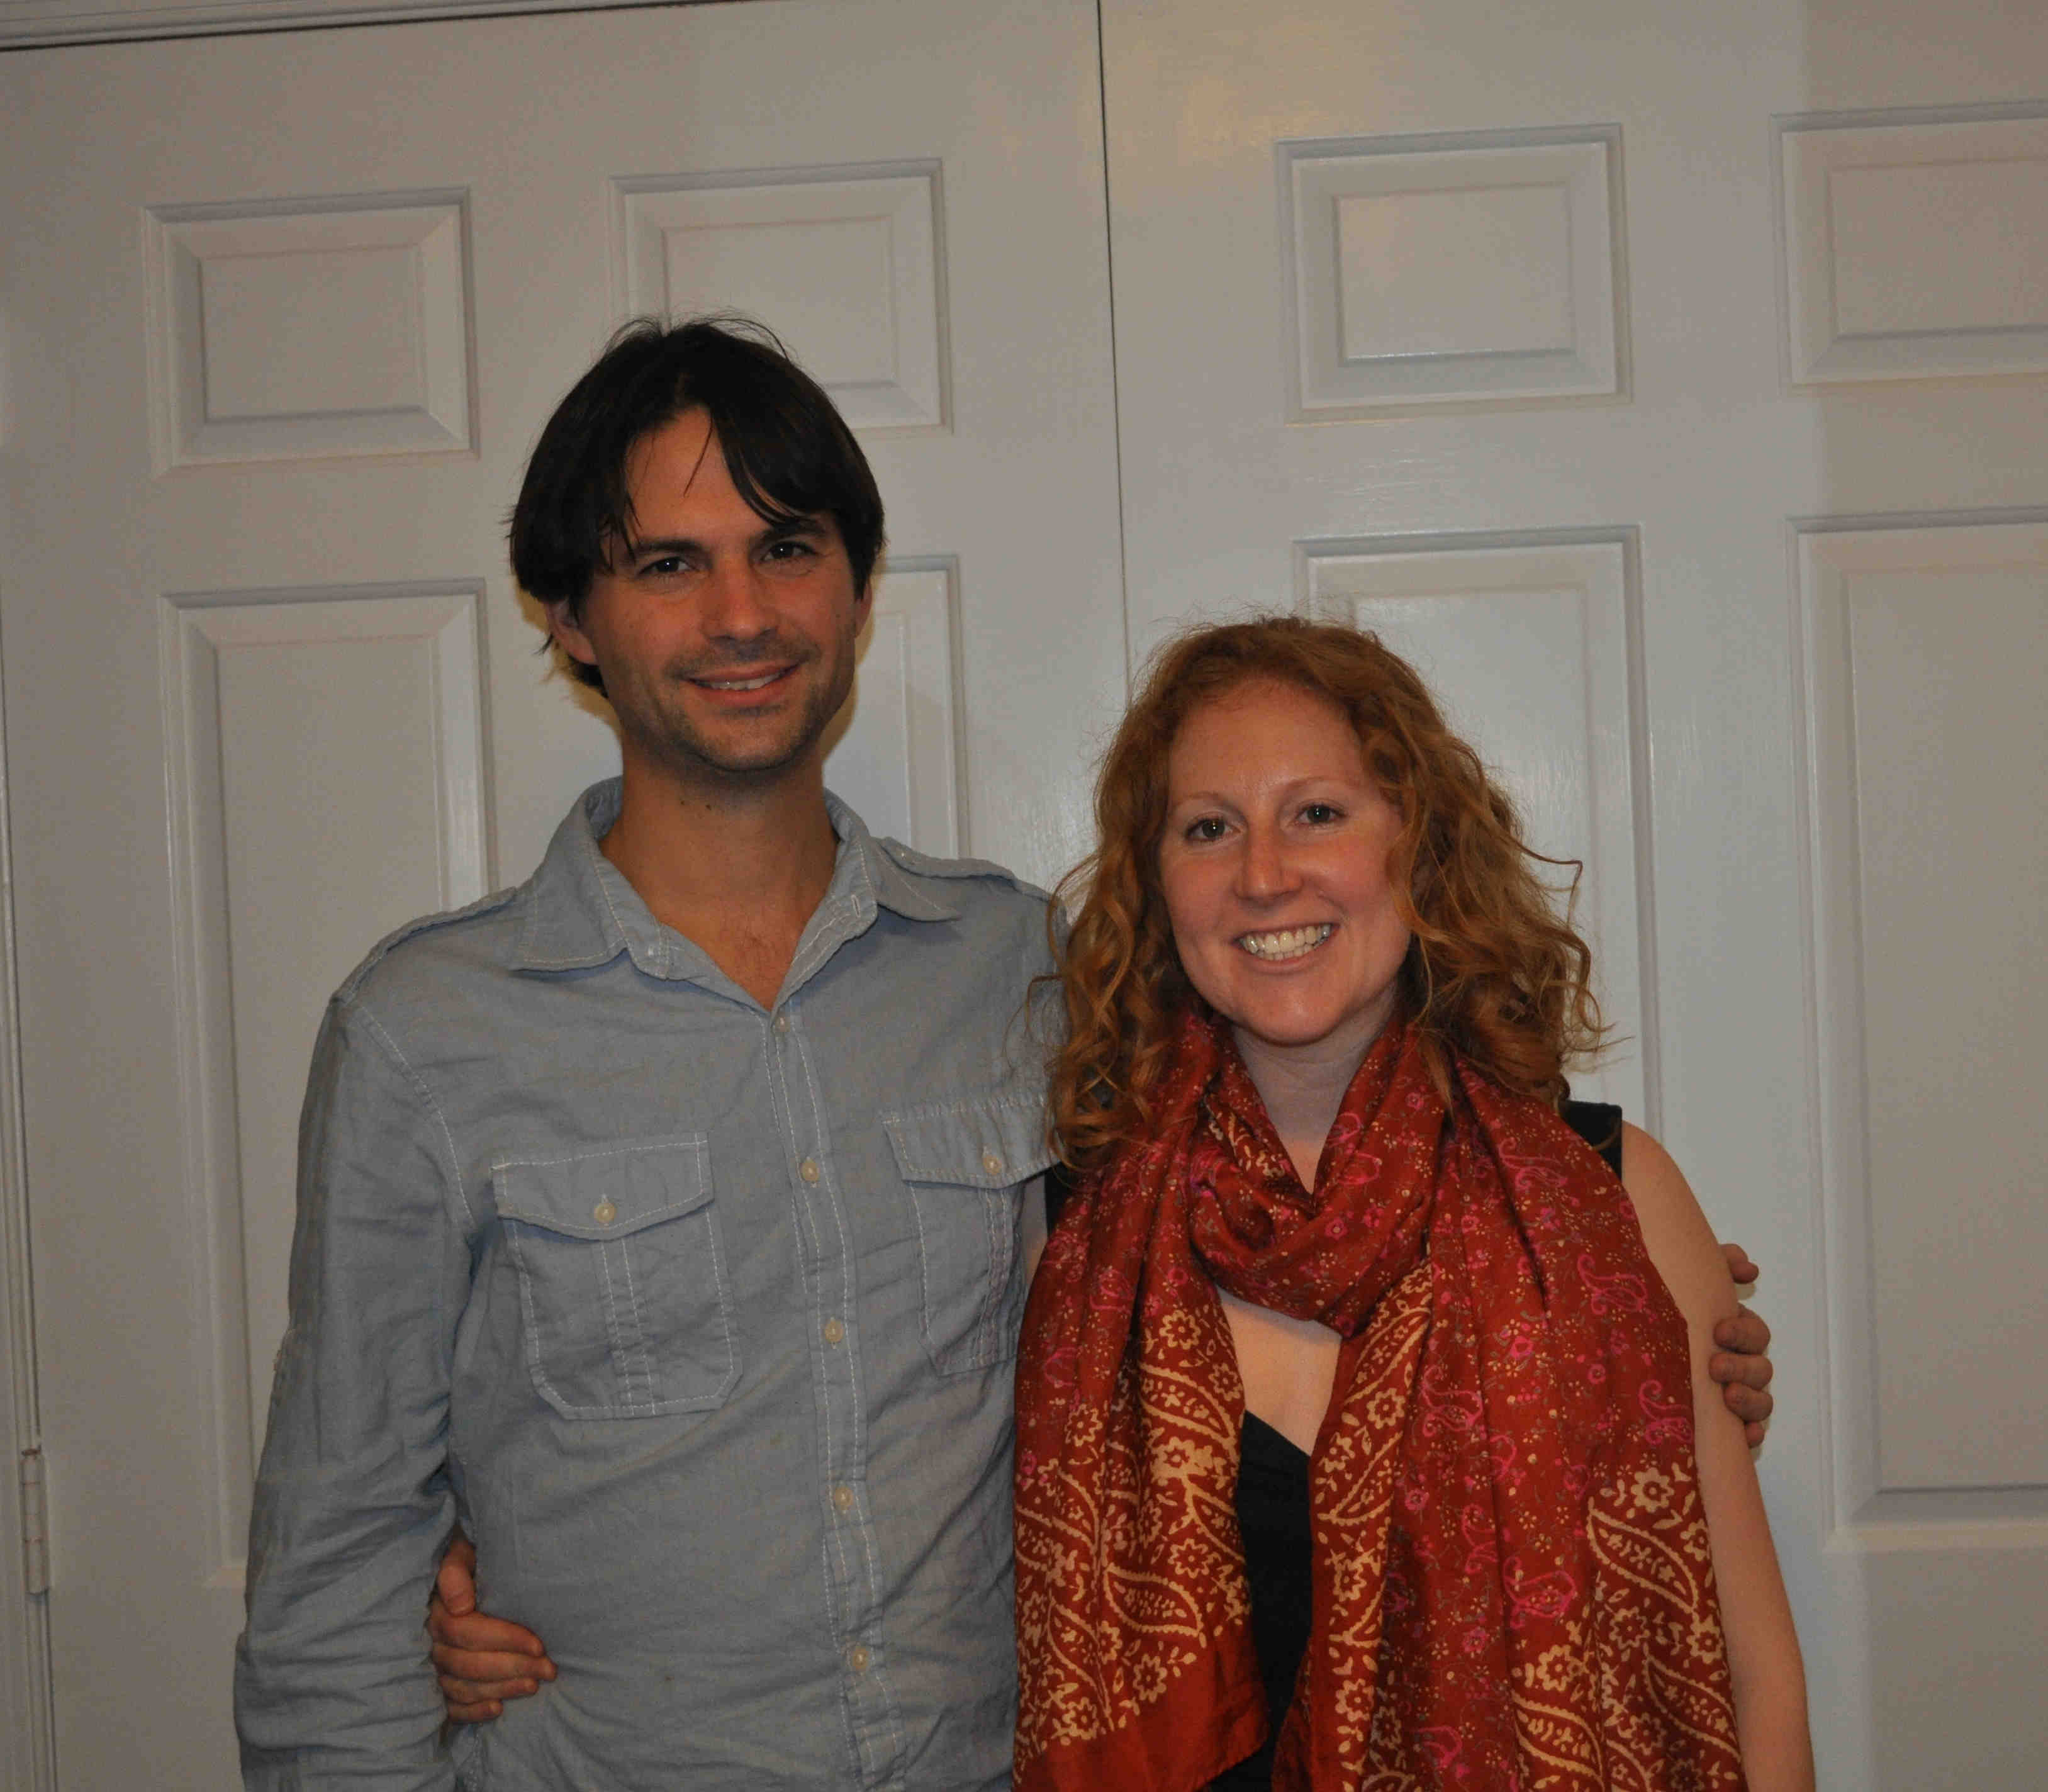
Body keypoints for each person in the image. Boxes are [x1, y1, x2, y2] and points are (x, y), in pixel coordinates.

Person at [245, 314, 1775, 1787]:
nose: (740, 613)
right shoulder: (428, 1034)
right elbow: (340, 1551)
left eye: (787, 547)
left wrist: (1640, 1331)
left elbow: (1364, 1156)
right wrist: (444, 1589)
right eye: (667, 563)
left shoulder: (1022, 977)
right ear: (570, 616)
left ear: (855, 592)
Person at [1014, 620, 1810, 1789]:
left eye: (1316, 813)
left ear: (1419, 848)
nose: (1264, 875)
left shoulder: (1610, 1197)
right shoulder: (1069, 1242)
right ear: (1156, 882)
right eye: (1209, 828)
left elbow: (1756, 1677)